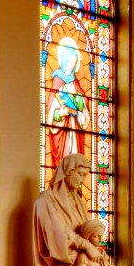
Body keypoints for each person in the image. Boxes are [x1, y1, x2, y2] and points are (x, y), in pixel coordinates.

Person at [45, 37, 91, 169]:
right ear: (65, 60)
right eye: (71, 61)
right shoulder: (57, 79)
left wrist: (80, 100)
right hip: (62, 129)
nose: (72, 64)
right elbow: (51, 109)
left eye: (75, 62)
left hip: (75, 129)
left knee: (75, 158)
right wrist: (60, 113)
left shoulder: (75, 82)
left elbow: (84, 101)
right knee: (65, 163)